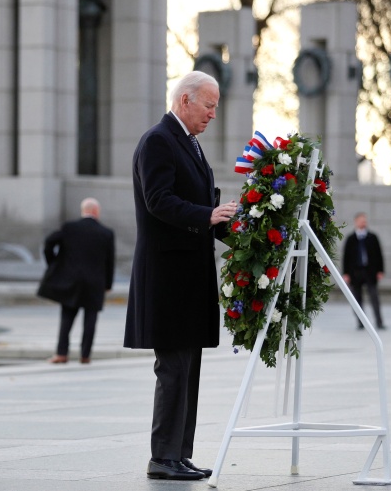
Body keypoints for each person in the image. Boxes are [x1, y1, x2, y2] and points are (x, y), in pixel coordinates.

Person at [124, 71, 237, 481]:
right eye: (208, 105)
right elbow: (159, 201)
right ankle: (162, 457)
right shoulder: (158, 140)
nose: (212, 114)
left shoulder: (189, 144)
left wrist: (239, 226)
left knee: (188, 369)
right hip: (168, 276)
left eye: (215, 107)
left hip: (188, 275)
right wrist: (207, 215)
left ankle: (178, 453)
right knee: (172, 369)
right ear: (185, 100)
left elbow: (203, 204)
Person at [42, 198, 115, 364]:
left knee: (67, 316)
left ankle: (62, 353)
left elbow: (48, 243)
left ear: (83, 210)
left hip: (70, 280)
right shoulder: (106, 232)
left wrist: (53, 264)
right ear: (96, 211)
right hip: (95, 282)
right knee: (90, 319)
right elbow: (110, 261)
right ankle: (85, 355)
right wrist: (108, 284)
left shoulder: (69, 227)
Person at [342, 212, 385, 330]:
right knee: (357, 298)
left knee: (374, 297)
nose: (363, 223)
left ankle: (379, 321)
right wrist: (345, 273)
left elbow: (379, 255)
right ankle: (360, 322)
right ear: (356, 222)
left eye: (365, 221)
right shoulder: (351, 239)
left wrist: (380, 270)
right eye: (361, 221)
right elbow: (346, 257)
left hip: (370, 271)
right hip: (355, 272)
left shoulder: (372, 237)